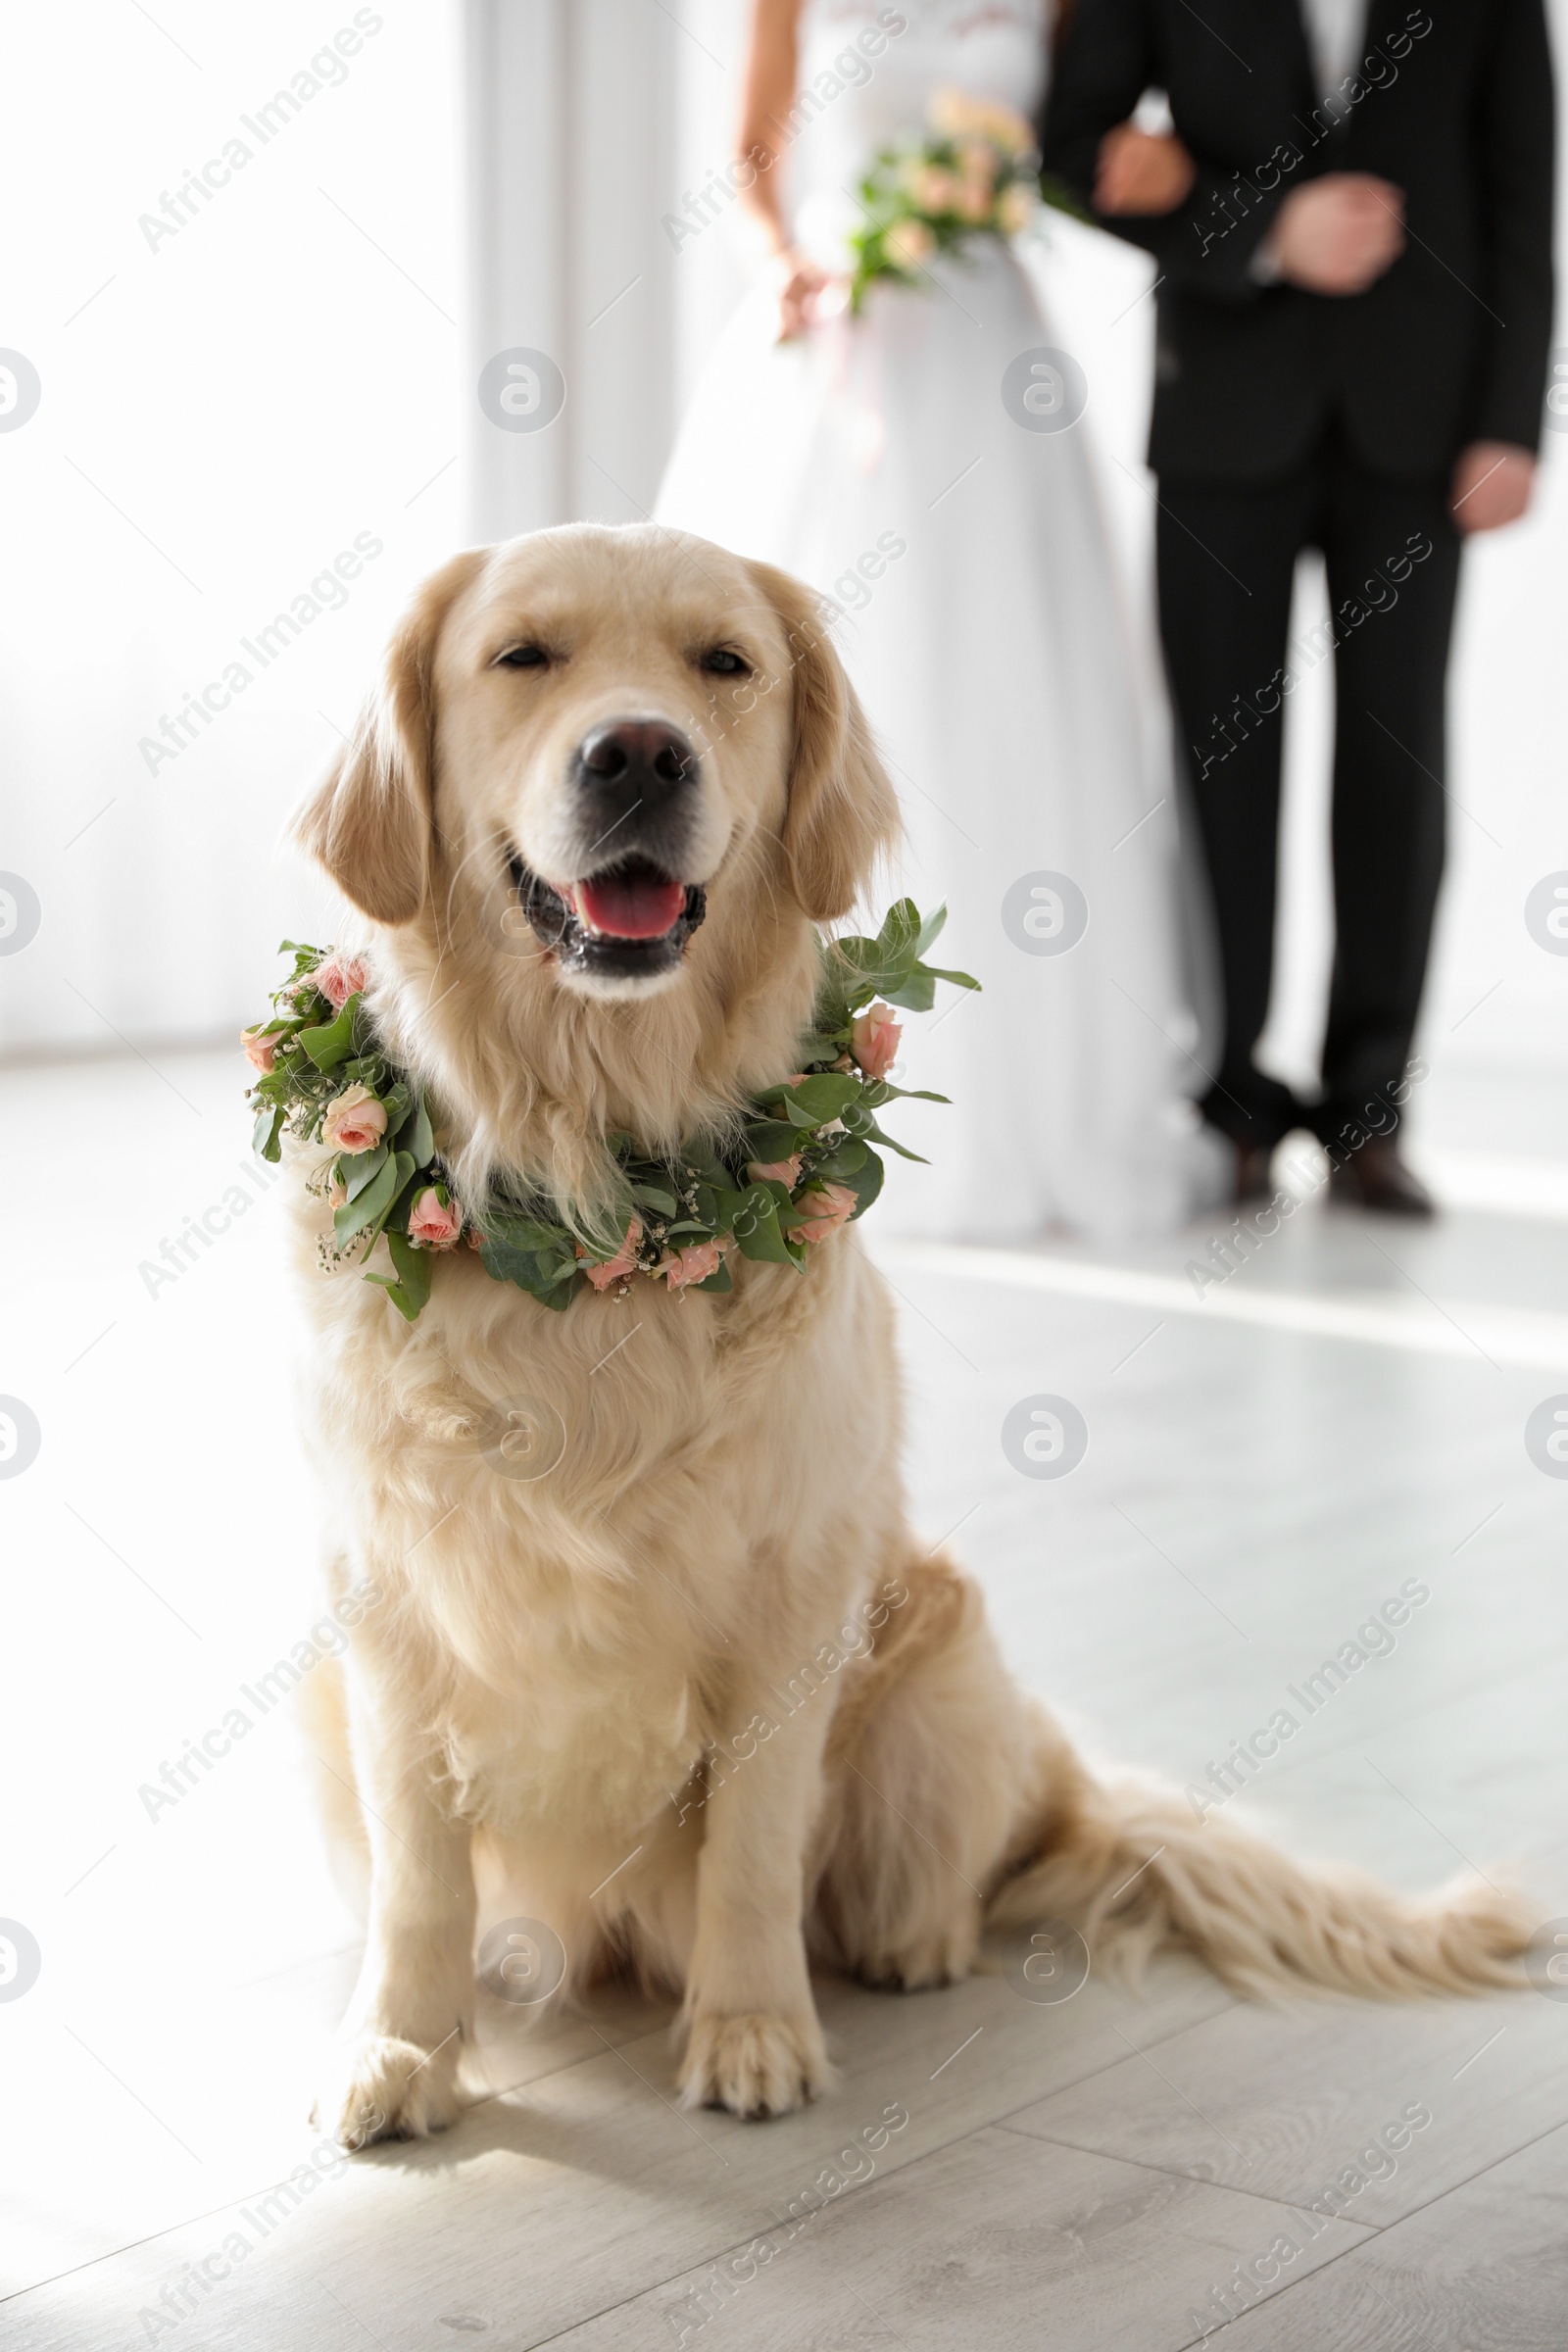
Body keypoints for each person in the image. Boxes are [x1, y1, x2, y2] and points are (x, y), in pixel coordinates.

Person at [655, 0, 1223, 1245]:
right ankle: (758, 1085)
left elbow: (1084, 149)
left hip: (989, 350)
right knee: (812, 683)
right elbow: (752, 163)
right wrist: (777, 262)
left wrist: (1151, 169)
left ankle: (1030, 1088)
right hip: (836, 333)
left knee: (1011, 689)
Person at [1043, 0, 1556, 1213]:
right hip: (1224, 414)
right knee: (1222, 761)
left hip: (1422, 428)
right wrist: (1263, 227)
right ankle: (1227, 1098)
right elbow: (1070, 151)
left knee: (1396, 758)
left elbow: (1524, 188)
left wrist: (1508, 423)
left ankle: (1369, 1112)